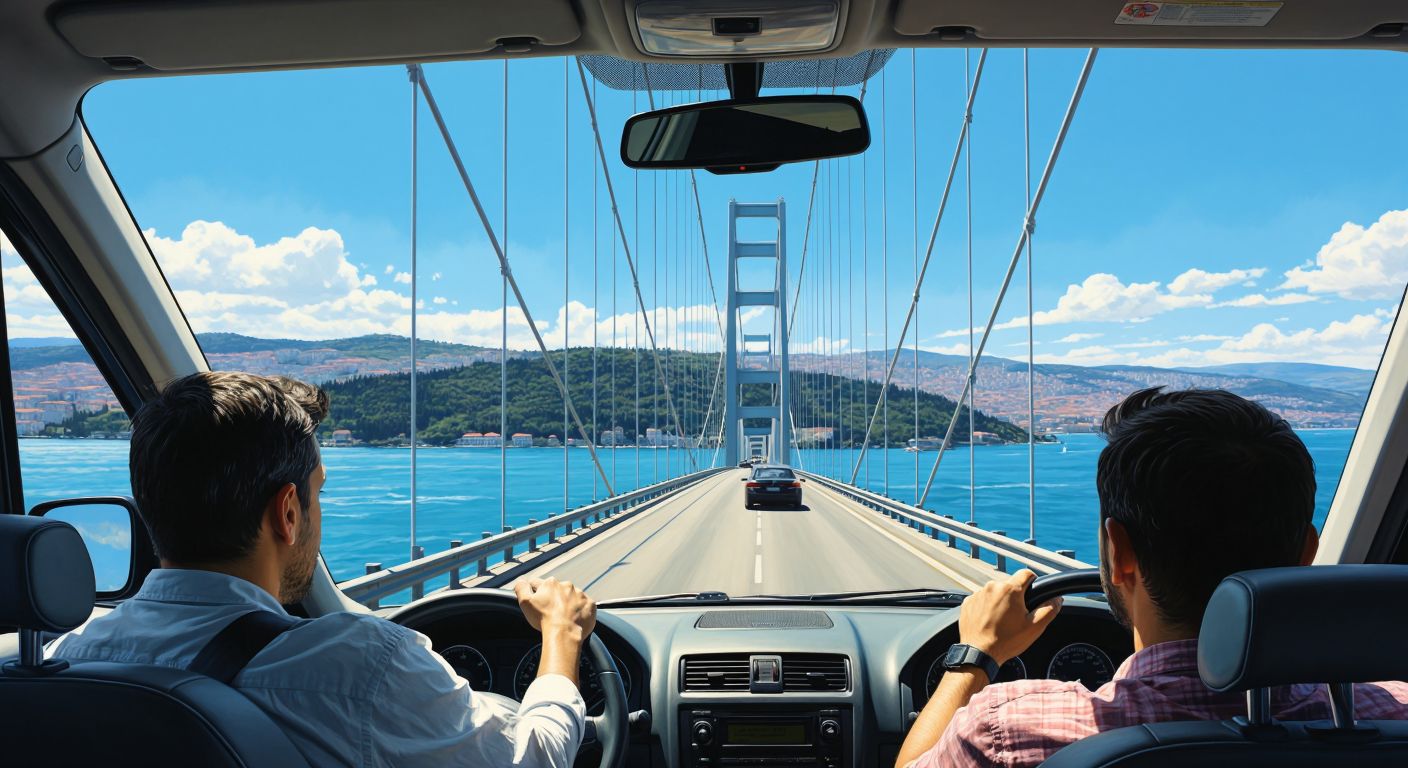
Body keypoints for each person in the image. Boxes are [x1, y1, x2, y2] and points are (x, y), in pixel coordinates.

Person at [48, 371, 595, 767]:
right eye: (319, 492)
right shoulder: (363, 668)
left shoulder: (67, 659)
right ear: (288, 512)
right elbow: (534, 757)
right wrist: (561, 634)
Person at [896, 387, 1408, 768]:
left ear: (1119, 553)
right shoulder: (1392, 714)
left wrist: (974, 657)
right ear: (1307, 554)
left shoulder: (1006, 732)